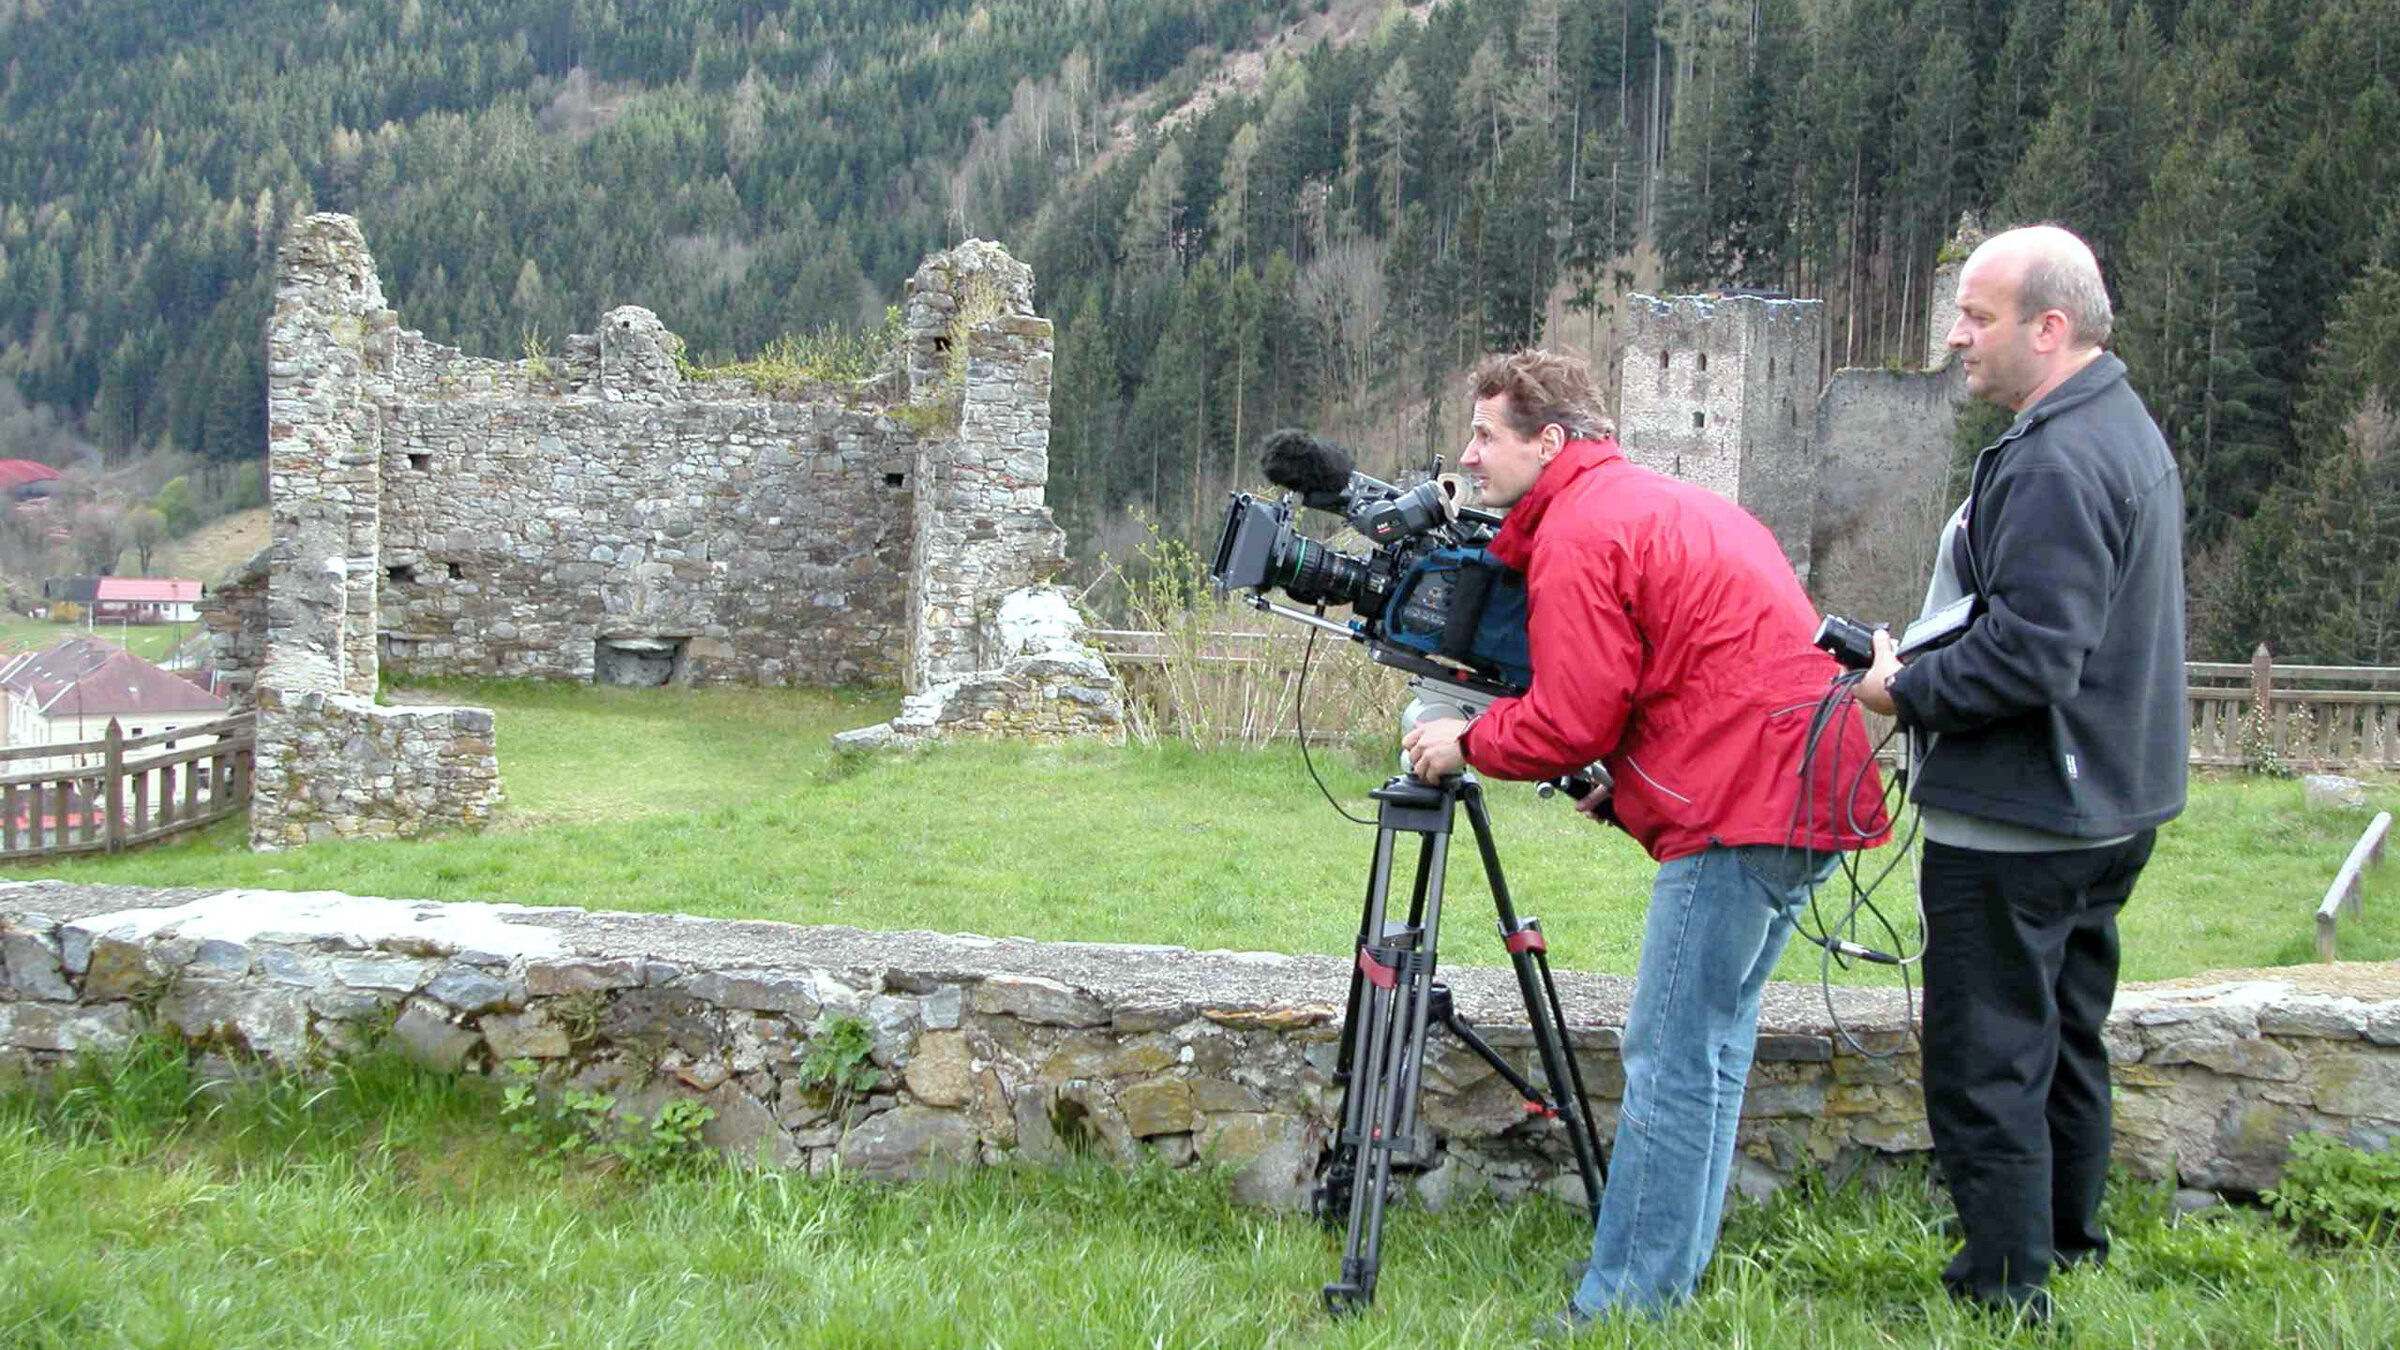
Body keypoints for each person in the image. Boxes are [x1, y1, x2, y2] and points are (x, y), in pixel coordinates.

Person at [1400, 349, 1891, 1326]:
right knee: (1708, 1050)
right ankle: (1666, 1283)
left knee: (1670, 1053)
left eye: (1486, 435)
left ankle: (1625, 1306)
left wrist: (1466, 742)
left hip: (1743, 807)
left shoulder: (1583, 529)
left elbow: (1573, 718)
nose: (1469, 453)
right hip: (1800, 791)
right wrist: (1625, 783)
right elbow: (1677, 676)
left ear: (1550, 441)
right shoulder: (1651, 502)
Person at [1855, 224, 2187, 1321]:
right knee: (2065, 1036)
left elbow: (2036, 654)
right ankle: (2068, 1245)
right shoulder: (2118, 423)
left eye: (1978, 317)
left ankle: (2004, 1290)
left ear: (2051, 327)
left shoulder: (2054, 456)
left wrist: (1902, 690)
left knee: (1987, 1058)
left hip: (2023, 813)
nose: (1956, 338)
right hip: (2108, 802)